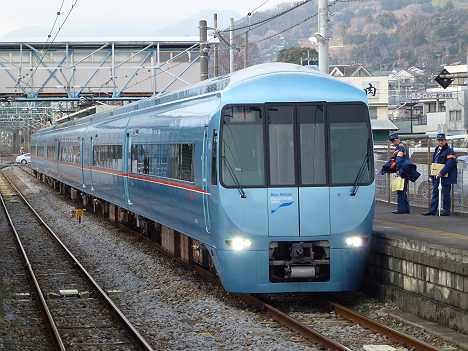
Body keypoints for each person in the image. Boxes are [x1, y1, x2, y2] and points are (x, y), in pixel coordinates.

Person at [423, 133, 457, 216]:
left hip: (446, 176)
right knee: (435, 193)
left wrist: (441, 172)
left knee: (446, 194)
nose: (440, 142)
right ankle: (432, 210)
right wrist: (432, 174)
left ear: (445, 141)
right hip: (436, 176)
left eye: (442, 140)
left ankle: (446, 211)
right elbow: (434, 162)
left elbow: (450, 164)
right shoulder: (437, 149)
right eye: (439, 140)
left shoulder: (449, 150)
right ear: (437, 141)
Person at [388, 132, 410, 214]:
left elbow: (399, 160)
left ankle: (401, 209)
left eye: (393, 141)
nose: (393, 143)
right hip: (405, 170)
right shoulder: (403, 146)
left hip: (402, 171)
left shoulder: (400, 147)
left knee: (400, 190)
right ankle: (405, 208)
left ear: (397, 139)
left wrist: (398, 170)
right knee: (403, 190)